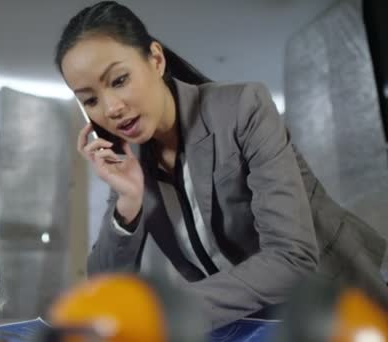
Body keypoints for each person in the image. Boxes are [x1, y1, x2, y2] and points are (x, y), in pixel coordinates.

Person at [54, 1, 388, 329]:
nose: (111, 108)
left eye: (119, 80)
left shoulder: (243, 108)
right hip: (247, 326)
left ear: (155, 60)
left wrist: (171, 312)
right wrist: (128, 202)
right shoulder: (132, 158)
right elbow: (104, 285)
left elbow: (292, 257)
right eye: (90, 100)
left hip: (333, 312)